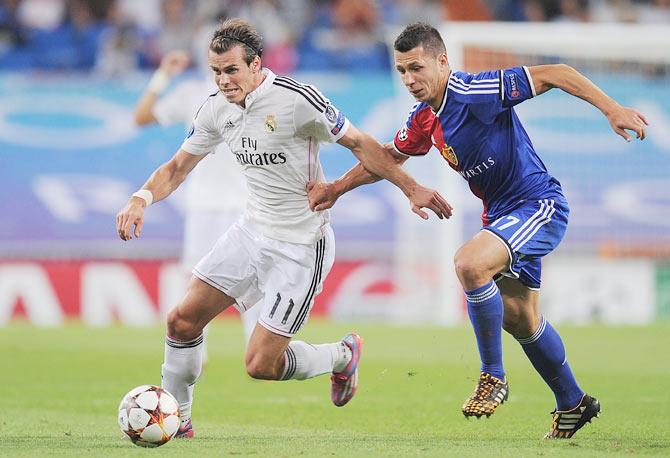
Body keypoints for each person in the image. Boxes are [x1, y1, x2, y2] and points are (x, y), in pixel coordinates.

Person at [306, 22, 648, 439]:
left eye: (416, 67)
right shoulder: (424, 119)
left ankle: (493, 377)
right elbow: (388, 156)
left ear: (443, 61)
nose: (410, 79)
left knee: (469, 264)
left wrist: (611, 108)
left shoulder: (478, 91)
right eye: (401, 71)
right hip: (503, 217)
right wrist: (337, 188)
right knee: (521, 319)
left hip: (538, 205)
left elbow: (559, 73)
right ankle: (573, 402)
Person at [116, 18, 451, 439]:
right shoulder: (214, 108)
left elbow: (363, 144)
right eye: (216, 71)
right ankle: (177, 419)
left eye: (231, 70)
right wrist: (140, 198)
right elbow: (177, 167)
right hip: (250, 231)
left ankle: (341, 355)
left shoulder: (297, 100)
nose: (223, 80)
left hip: (301, 245)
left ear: (256, 65)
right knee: (181, 321)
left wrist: (411, 187)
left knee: (261, 366)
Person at [134, 49, 261, 351]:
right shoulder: (194, 93)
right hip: (206, 202)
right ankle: (194, 354)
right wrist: (163, 75)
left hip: (247, 202)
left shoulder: (262, 92)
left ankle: (258, 351)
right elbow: (141, 118)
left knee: (253, 280)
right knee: (198, 281)